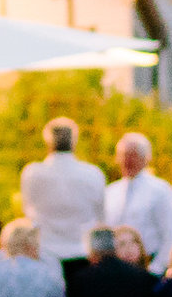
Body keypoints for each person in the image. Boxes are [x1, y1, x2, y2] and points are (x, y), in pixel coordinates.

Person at [19, 116, 106, 277]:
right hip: (81, 254)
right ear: (74, 142)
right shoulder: (93, 174)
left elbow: (27, 212)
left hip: (46, 253)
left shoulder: (32, 174)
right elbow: (101, 217)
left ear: (48, 142)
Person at [102, 132, 172, 268]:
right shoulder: (110, 192)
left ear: (145, 158)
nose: (127, 161)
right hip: (116, 268)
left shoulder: (160, 191)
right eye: (123, 155)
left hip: (149, 265)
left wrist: (155, 269)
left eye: (133, 155)